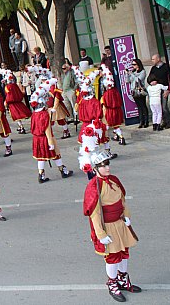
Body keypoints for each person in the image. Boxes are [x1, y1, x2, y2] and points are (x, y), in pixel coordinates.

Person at [83, 150, 140, 302]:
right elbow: (94, 214)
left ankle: (123, 280)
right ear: (95, 169)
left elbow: (122, 200)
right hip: (108, 227)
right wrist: (101, 235)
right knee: (113, 257)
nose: (107, 168)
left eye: (107, 164)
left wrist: (127, 216)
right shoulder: (94, 186)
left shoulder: (114, 179)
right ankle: (112, 284)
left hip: (120, 223)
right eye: (103, 165)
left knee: (124, 253)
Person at [30, 83, 73, 183]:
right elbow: (47, 129)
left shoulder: (34, 114)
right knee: (55, 154)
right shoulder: (44, 114)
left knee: (40, 157)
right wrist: (50, 142)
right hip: (46, 138)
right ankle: (63, 170)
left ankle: (41, 174)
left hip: (37, 139)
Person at [125, 59, 149, 128]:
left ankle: (146, 121)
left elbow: (138, 79)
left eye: (134, 64)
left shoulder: (142, 72)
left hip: (140, 90)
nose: (133, 66)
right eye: (132, 64)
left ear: (138, 64)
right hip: (134, 90)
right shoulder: (133, 72)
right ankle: (141, 121)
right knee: (139, 106)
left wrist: (131, 74)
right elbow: (127, 81)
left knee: (143, 105)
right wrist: (127, 74)